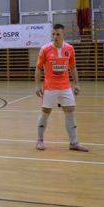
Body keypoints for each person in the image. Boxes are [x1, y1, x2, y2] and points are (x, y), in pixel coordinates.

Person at [34, 23, 88, 152]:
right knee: (45, 112)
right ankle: (40, 140)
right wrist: (37, 86)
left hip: (65, 87)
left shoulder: (69, 49)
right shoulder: (45, 49)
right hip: (50, 87)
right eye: (53, 34)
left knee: (70, 111)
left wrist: (76, 84)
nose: (55, 36)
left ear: (63, 35)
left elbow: (73, 67)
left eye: (58, 34)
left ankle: (74, 143)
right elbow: (38, 68)